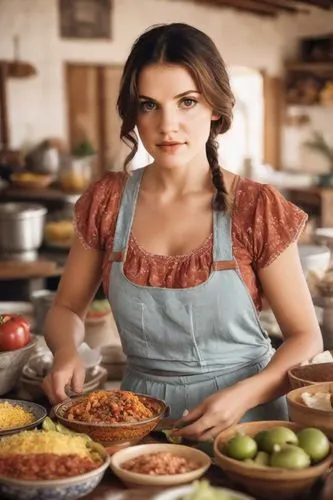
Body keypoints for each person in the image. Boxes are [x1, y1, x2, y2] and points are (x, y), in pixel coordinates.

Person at [42, 23, 323, 441]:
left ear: (214, 106)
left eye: (186, 101)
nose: (167, 125)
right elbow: (65, 308)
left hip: (251, 426)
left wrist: (242, 397)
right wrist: (65, 352)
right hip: (140, 424)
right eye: (149, 105)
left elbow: (305, 338)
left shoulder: (256, 207)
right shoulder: (108, 201)